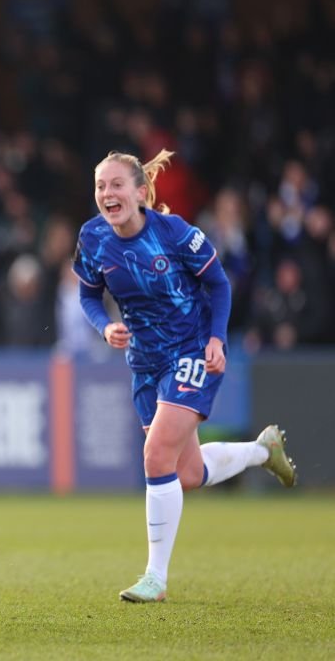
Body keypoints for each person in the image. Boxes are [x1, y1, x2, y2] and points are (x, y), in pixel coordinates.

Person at [73, 149, 298, 604]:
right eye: (100, 186)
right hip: (144, 362)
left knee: (155, 457)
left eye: (116, 185)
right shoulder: (93, 237)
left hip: (191, 350)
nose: (107, 194)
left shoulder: (173, 232)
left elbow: (219, 283)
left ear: (140, 193)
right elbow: (88, 295)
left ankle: (155, 578)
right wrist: (105, 326)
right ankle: (261, 450)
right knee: (186, 473)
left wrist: (217, 340)